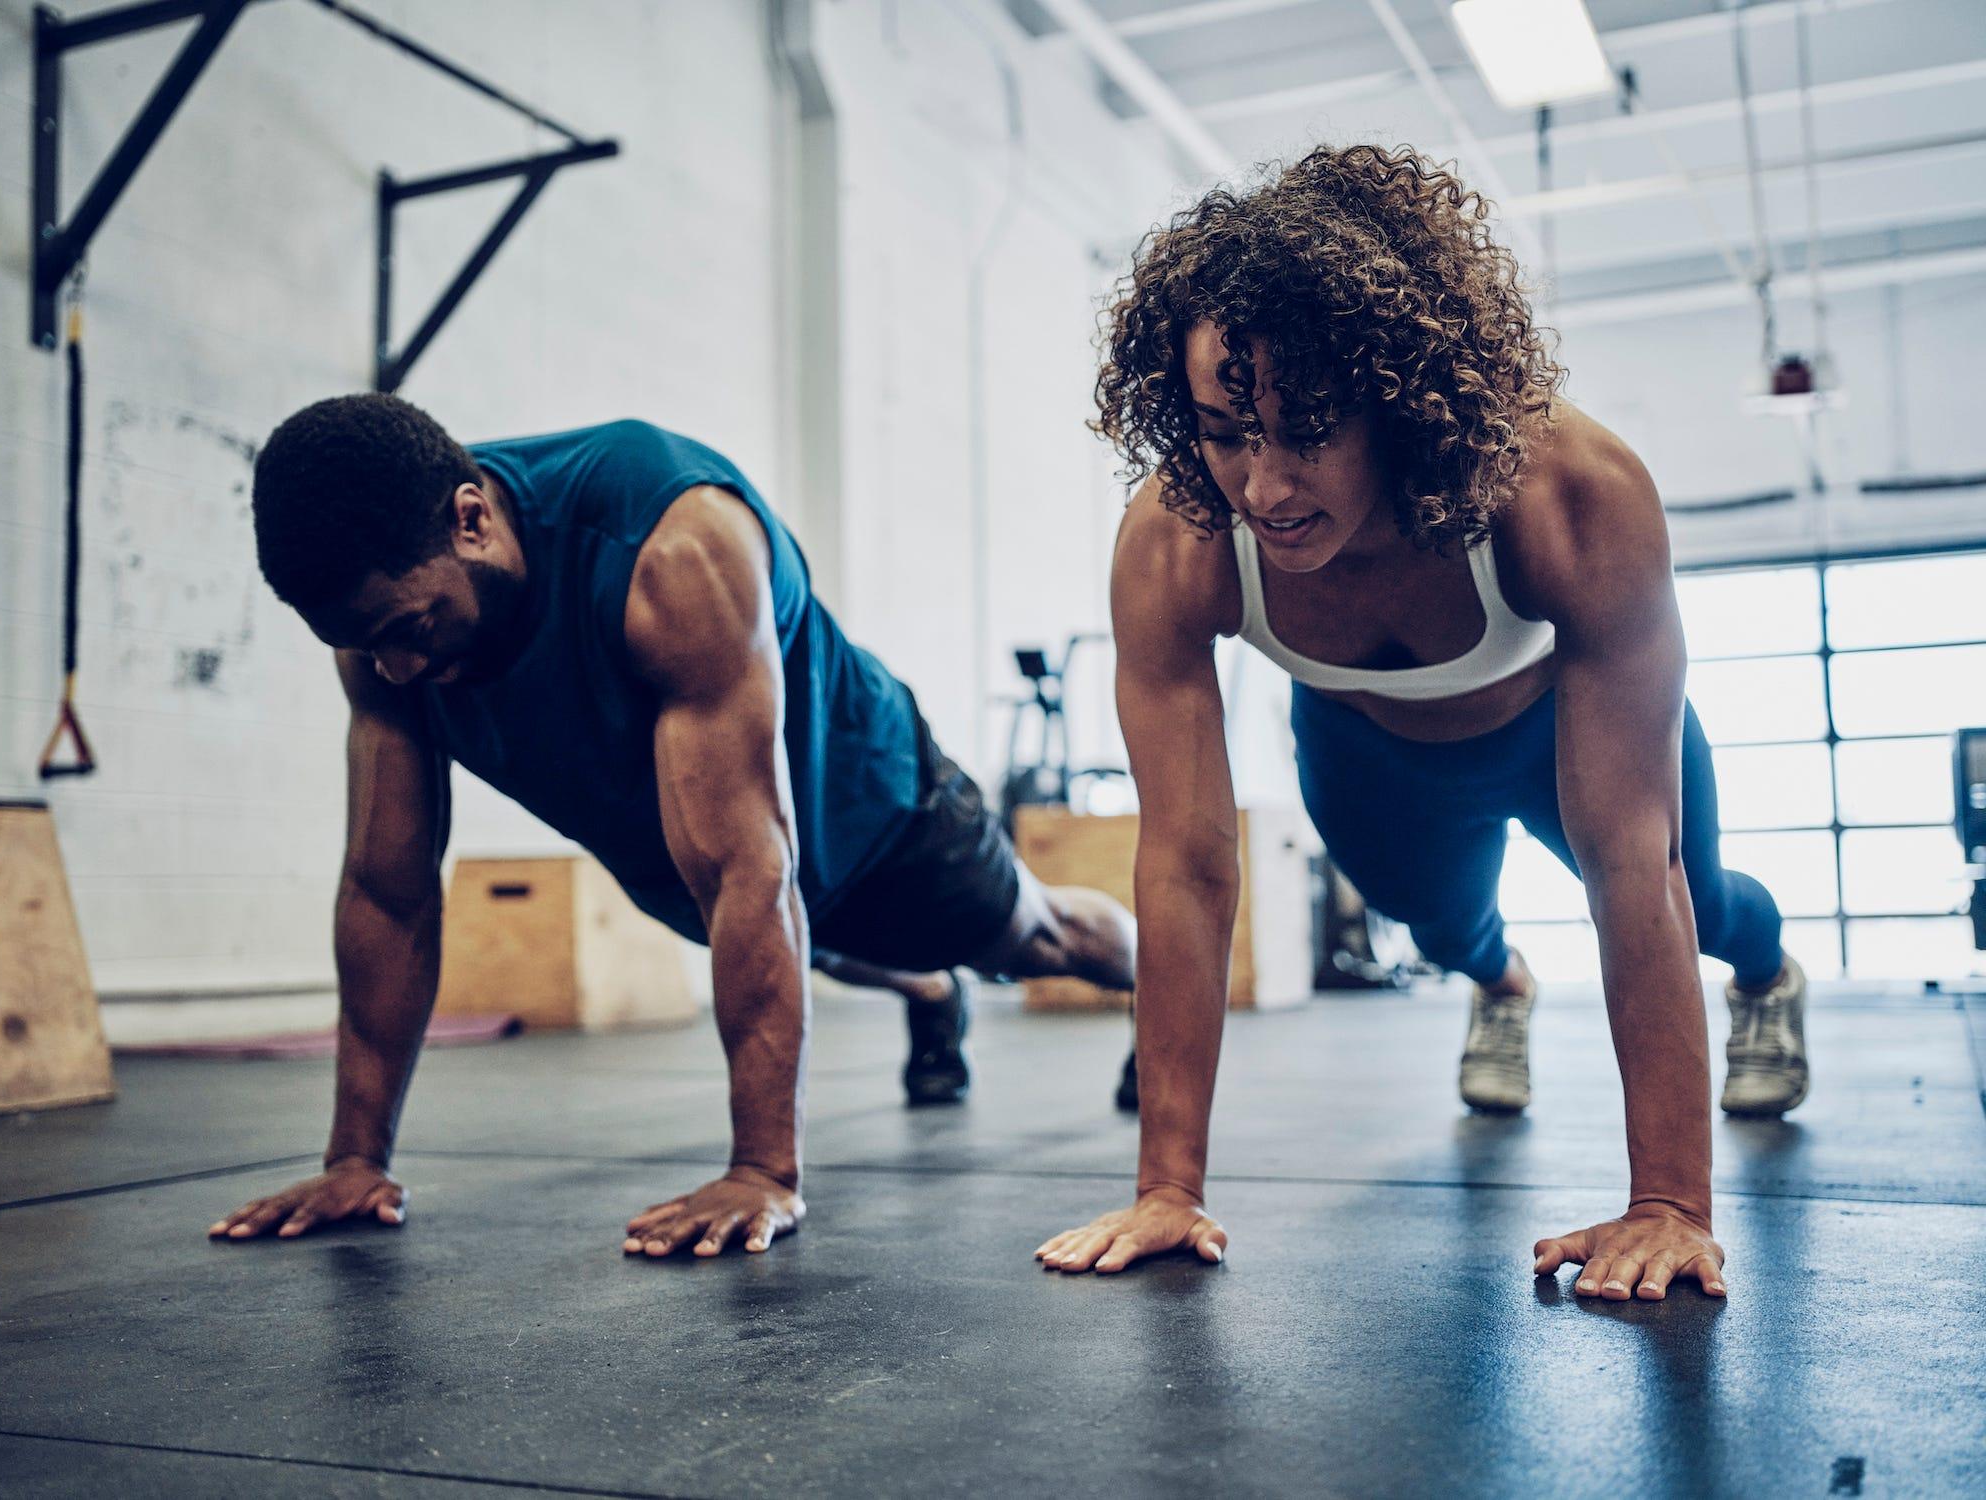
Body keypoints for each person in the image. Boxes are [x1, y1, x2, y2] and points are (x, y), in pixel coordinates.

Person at [1041, 144, 1808, 1299]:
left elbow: (1626, 863)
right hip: (1369, 750)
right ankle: (1500, 988)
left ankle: (1766, 972)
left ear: (1397, 396)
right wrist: (1167, 1188)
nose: (1262, 486)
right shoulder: (1176, 541)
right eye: (1224, 429)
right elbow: (1189, 866)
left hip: (1558, 718)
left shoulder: (1568, 493)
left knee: (1691, 898)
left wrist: (1668, 1205)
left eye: (1307, 428)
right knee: (1437, 928)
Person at [210, 397, 1134, 1256]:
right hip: (706, 870)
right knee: (812, 947)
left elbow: (751, 874)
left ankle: (1161, 982)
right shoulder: (385, 640)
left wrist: (762, 1171)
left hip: (875, 812)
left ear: (472, 520)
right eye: (367, 642)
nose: (397, 667)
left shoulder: (670, 545)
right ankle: (930, 996)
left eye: (412, 626)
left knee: (1030, 936)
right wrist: (354, 1160)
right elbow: (387, 892)